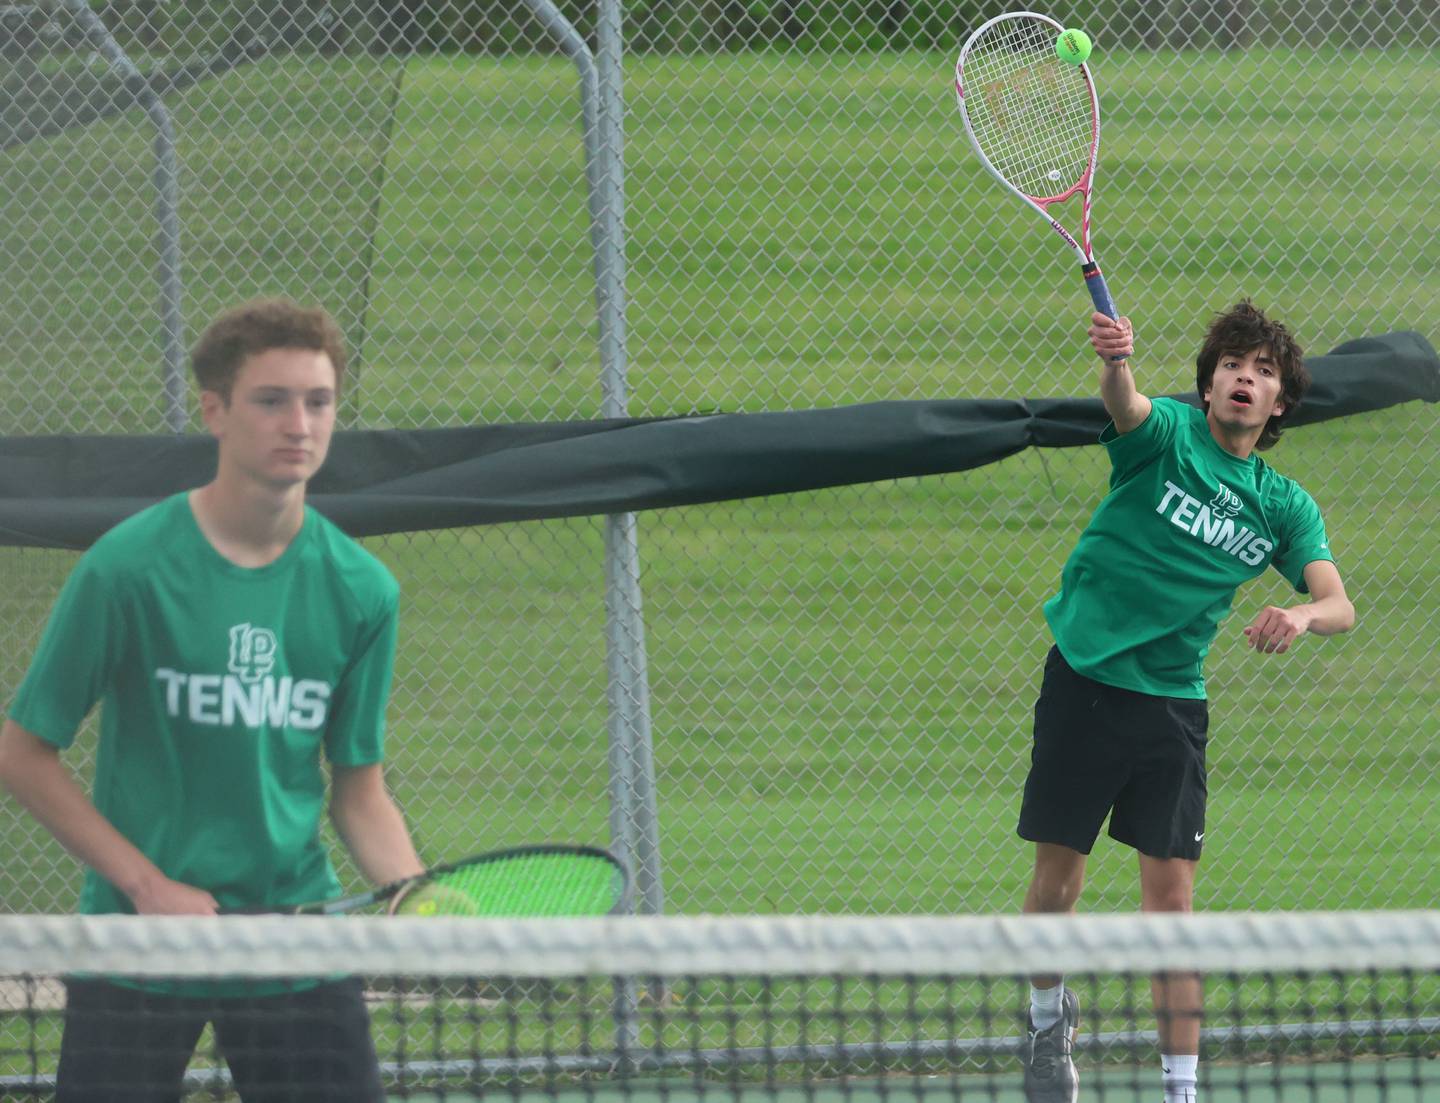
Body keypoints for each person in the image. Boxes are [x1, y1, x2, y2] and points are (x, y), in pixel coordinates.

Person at [0, 298, 426, 1101]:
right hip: (138, 943)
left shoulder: (365, 591)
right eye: (272, 400)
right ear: (216, 410)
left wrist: (414, 892)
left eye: (319, 401)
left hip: (293, 941)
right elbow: (22, 753)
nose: (299, 422)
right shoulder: (124, 568)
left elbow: (360, 794)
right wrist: (147, 885)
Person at [1016, 301, 1356, 1103]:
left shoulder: (1282, 505)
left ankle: (1181, 1092)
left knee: (1171, 907)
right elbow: (1124, 406)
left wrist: (1302, 614)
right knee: (1058, 881)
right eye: (1233, 365)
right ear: (1206, 388)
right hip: (1087, 681)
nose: (1247, 377)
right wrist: (1116, 359)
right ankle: (1042, 1019)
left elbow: (1339, 602)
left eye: (1265, 372)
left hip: (1171, 708)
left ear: (1279, 404)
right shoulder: (1167, 434)